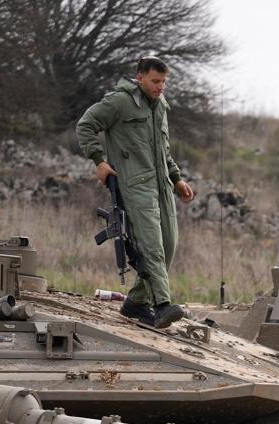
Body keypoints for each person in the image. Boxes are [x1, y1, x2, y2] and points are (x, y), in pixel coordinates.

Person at [76, 56, 196, 329]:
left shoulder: (160, 106)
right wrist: (99, 160)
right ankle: (162, 305)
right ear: (139, 77)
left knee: (168, 245)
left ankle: (136, 303)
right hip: (135, 185)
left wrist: (176, 178)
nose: (160, 87)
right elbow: (86, 125)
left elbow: (162, 149)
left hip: (162, 185)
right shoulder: (119, 102)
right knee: (151, 245)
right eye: (155, 81)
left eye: (164, 82)